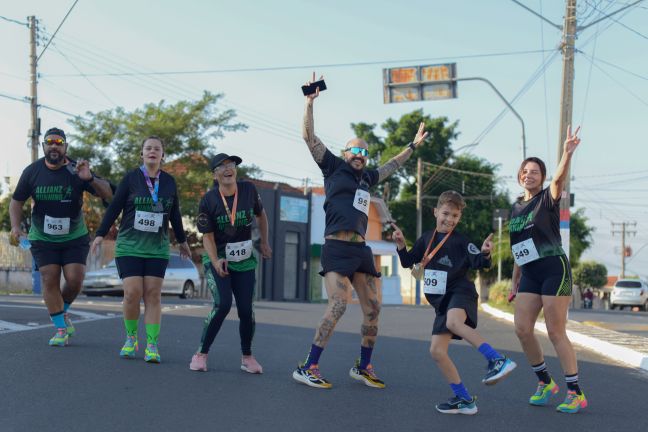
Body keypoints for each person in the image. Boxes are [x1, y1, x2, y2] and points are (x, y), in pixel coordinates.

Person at [292, 72, 428, 389]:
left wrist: (412, 146)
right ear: (345, 153)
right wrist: (309, 104)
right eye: (354, 150)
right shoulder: (333, 167)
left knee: (373, 309)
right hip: (336, 248)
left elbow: (393, 164)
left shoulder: (367, 179)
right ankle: (308, 366)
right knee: (339, 304)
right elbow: (309, 138)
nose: (359, 155)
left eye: (365, 152)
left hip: (360, 250)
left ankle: (363, 366)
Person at [392, 191, 516, 415]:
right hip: (442, 302)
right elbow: (408, 262)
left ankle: (497, 360)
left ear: (459, 218)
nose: (449, 219)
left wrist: (486, 253)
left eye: (455, 216)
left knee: (454, 322)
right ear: (435, 212)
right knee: (437, 351)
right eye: (446, 213)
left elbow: (478, 261)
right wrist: (401, 245)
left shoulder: (461, 240)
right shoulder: (426, 238)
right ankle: (464, 399)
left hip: (461, 293)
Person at [9, 127, 113, 346]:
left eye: (59, 142)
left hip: (74, 236)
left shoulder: (77, 170)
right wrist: (16, 227)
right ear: (44, 146)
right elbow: (16, 201)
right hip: (43, 237)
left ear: (65, 147)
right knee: (50, 277)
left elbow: (109, 194)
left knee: (75, 280)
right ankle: (60, 328)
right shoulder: (32, 171)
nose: (54, 146)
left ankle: (62, 312)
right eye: (50, 142)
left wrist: (91, 178)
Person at [508, 125, 587, 414]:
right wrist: (513, 281)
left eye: (535, 172)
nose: (529, 175)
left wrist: (566, 153)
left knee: (555, 331)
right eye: (525, 171)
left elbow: (559, 178)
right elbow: (519, 247)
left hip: (555, 268)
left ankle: (575, 392)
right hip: (529, 272)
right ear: (519, 176)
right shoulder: (515, 209)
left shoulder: (547, 198)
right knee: (522, 329)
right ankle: (545, 382)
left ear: (541, 179)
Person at [91, 136, 190, 363]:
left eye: (157, 148)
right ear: (142, 154)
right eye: (148, 148)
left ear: (162, 155)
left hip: (157, 247)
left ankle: (152, 345)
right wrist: (99, 234)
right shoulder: (131, 178)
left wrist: (183, 240)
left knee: (153, 294)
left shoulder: (169, 182)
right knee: (132, 292)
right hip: (129, 245)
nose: (152, 151)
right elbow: (114, 207)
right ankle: (131, 338)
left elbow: (174, 213)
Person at [189, 153, 272, 374]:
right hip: (218, 258)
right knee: (223, 305)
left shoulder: (249, 190)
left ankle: (247, 357)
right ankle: (201, 354)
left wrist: (264, 242)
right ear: (215, 174)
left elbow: (261, 215)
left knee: (246, 310)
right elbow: (207, 236)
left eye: (232, 165)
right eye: (223, 166)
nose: (228, 169)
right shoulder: (209, 200)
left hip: (244, 260)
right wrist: (215, 261)